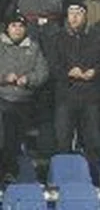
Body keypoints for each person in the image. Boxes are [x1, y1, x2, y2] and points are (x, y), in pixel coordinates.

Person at [48, 2, 100, 175]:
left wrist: (95, 71)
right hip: (65, 96)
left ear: (86, 16)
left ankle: (94, 179)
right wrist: (68, 72)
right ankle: (63, 178)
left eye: (79, 13)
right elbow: (52, 65)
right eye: (71, 13)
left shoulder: (99, 36)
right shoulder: (57, 38)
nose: (74, 17)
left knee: (92, 142)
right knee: (63, 141)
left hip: (91, 97)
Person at [0, 15, 48, 182]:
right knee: (6, 132)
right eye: (14, 25)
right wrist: (4, 77)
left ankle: (15, 173)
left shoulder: (33, 48)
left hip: (26, 100)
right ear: (7, 28)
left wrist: (28, 79)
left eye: (21, 26)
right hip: (3, 98)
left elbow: (42, 72)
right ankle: (7, 171)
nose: (17, 29)